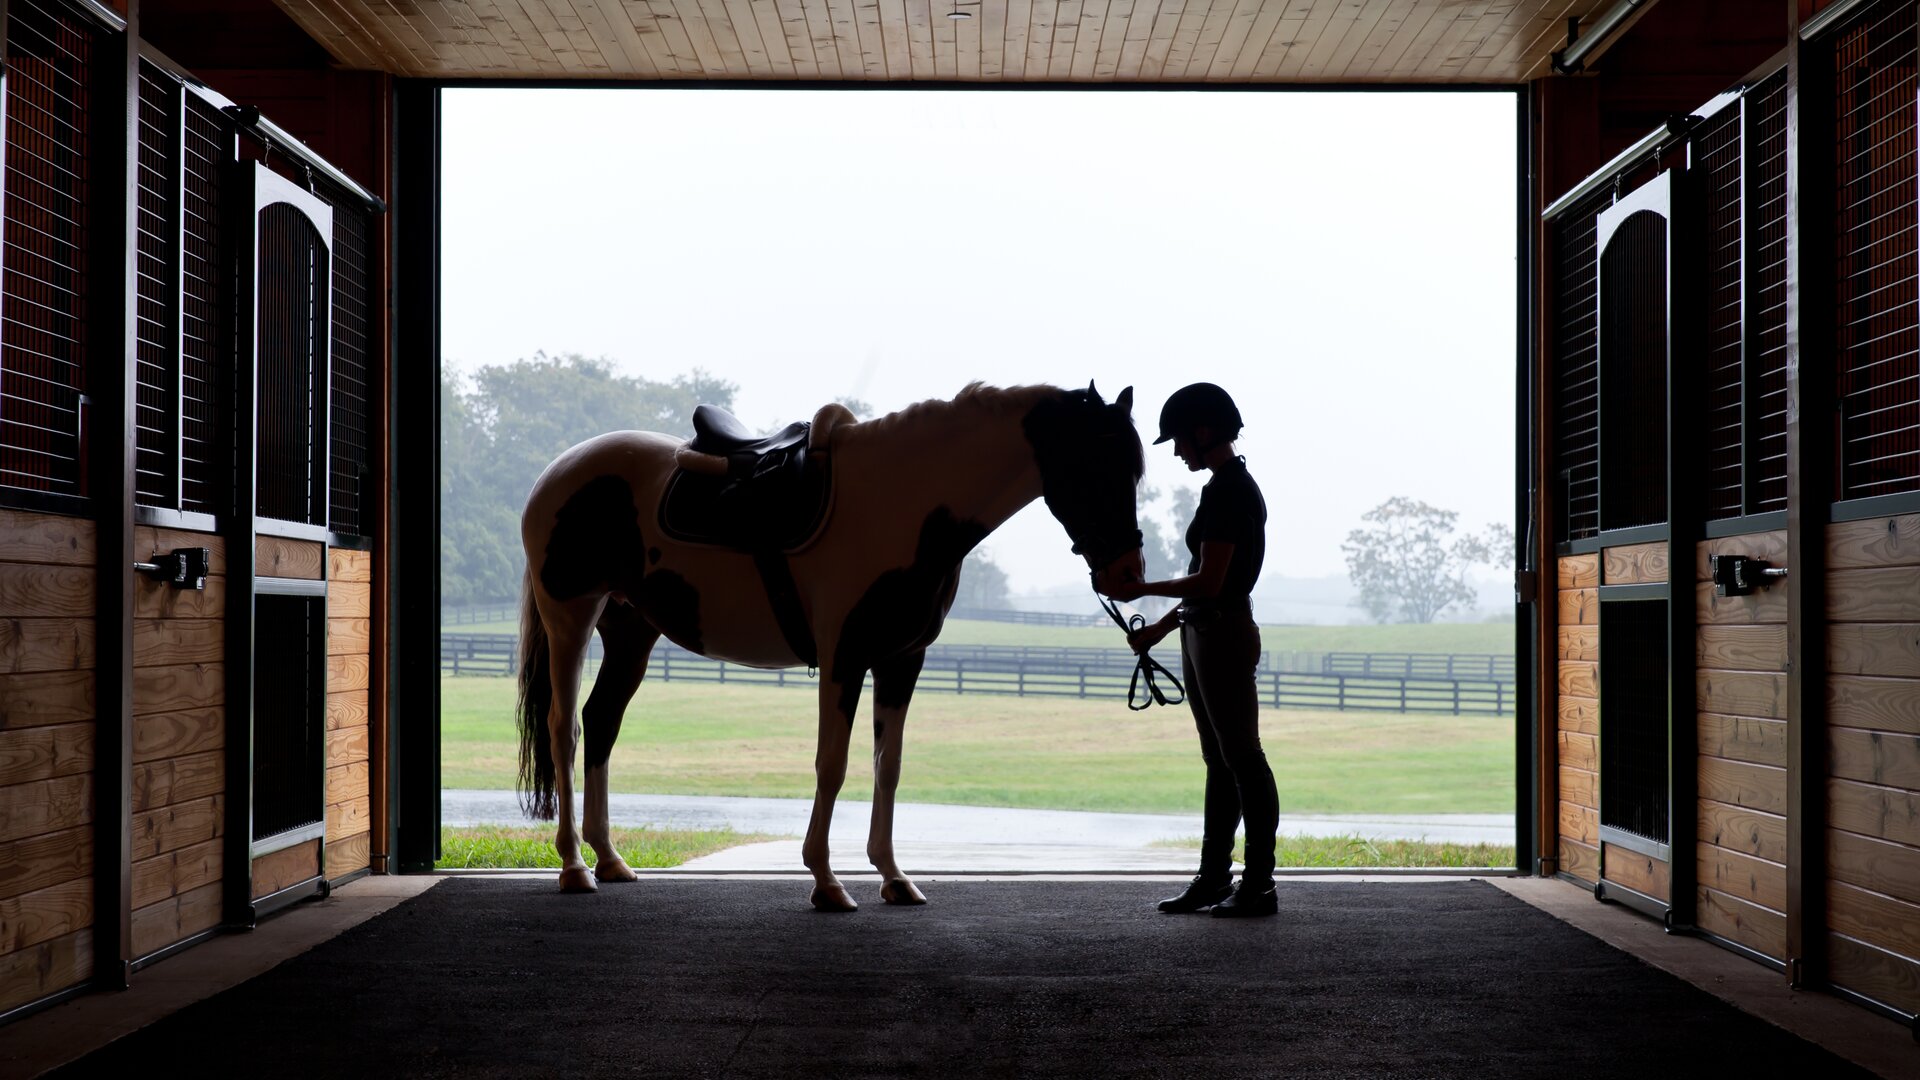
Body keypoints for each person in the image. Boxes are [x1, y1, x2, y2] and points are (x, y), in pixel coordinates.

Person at [1103, 382, 1277, 917]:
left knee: (1242, 757)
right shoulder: (1224, 486)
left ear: (1204, 433)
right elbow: (1210, 588)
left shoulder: (1228, 492)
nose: (1177, 451)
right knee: (1221, 760)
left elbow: (1211, 580)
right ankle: (1215, 878)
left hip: (1220, 633)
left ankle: (1257, 885)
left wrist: (1141, 591)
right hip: (1204, 629)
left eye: (1179, 440)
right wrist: (1159, 628)